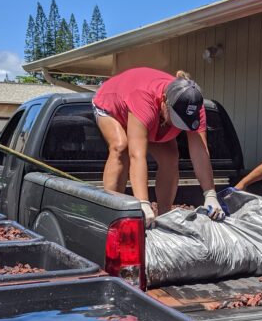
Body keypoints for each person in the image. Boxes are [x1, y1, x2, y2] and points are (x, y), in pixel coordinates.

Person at [93, 67, 224, 226]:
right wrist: (143, 202)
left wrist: (210, 194)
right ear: (164, 101)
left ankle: (164, 215)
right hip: (111, 105)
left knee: (170, 157)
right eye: (177, 120)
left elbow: (200, 153)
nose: (180, 127)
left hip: (153, 116)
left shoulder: (194, 105)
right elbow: (137, 155)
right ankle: (110, 216)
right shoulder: (143, 98)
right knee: (121, 147)